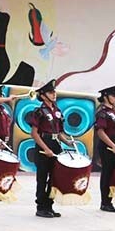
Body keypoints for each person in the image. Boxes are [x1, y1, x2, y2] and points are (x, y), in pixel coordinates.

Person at [28, 79, 72, 218]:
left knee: (54, 177)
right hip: (43, 144)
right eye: (50, 92)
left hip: (55, 145)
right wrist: (45, 148)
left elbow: (59, 132)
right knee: (42, 178)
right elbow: (34, 133)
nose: (54, 94)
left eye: (54, 92)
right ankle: (41, 207)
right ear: (43, 95)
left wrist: (67, 142)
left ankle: (49, 205)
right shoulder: (39, 111)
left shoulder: (57, 110)